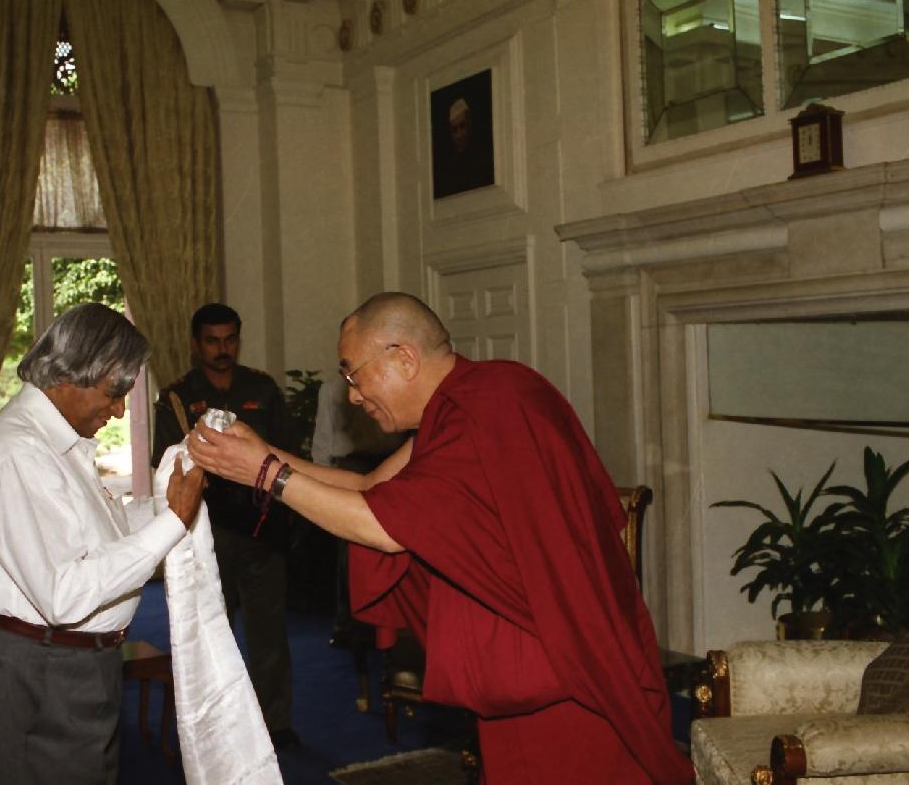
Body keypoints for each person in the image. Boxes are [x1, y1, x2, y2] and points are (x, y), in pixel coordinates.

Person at [188, 292, 694, 784]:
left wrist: (265, 472)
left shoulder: (488, 405)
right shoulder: (465, 403)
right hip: (532, 659)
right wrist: (262, 455)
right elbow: (369, 486)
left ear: (404, 358)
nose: (353, 395)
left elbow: (381, 527)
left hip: (566, 660)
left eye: (354, 374)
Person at [0, 302, 205, 785]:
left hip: (70, 665)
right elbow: (64, 594)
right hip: (39, 670)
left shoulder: (56, 442)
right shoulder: (16, 450)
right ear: (70, 376)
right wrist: (174, 519)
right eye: (114, 394)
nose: (119, 411)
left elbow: (100, 533)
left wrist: (166, 500)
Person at [151, 302, 300, 749]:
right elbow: (167, 465)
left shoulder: (262, 389)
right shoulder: (178, 397)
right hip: (208, 528)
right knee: (211, 628)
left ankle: (275, 723)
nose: (222, 349)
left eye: (230, 339)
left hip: (261, 525)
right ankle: (218, 726)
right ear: (196, 345)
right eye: (212, 341)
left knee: (268, 629)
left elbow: (288, 454)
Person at [310, 375, 404, 647]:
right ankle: (350, 626)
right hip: (351, 467)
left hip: (392, 465)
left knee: (393, 552)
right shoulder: (332, 389)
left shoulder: (392, 382)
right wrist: (320, 495)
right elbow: (323, 444)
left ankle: (390, 627)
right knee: (349, 558)